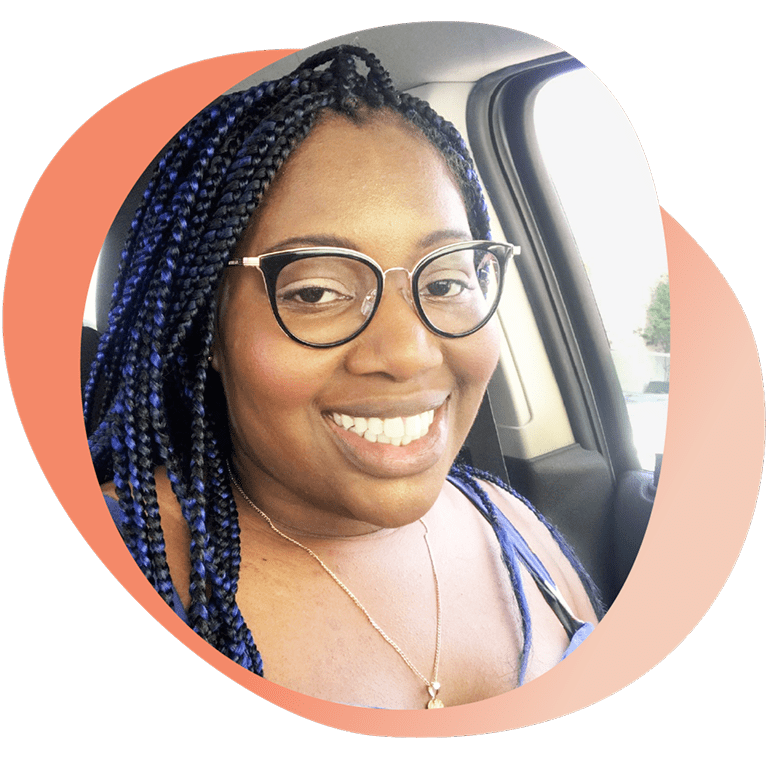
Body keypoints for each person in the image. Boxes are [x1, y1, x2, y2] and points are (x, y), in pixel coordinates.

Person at [86, 44, 602, 709]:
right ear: (207, 330)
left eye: (445, 280)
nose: (409, 353)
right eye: (316, 293)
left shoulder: (513, 525)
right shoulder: (121, 558)